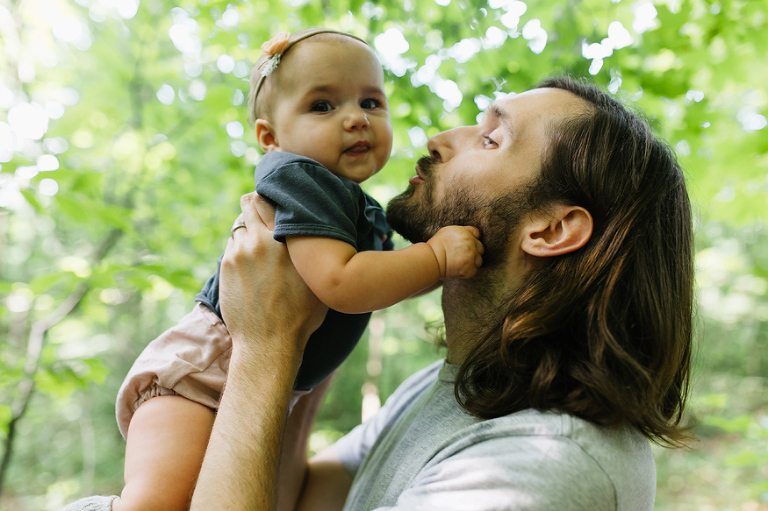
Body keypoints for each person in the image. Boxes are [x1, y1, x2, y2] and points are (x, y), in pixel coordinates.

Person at [189, 76, 694, 511]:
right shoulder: (455, 382)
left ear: (550, 229)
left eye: (491, 139)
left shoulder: (550, 461)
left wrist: (264, 345)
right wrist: (309, 330)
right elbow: (295, 500)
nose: (439, 140)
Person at [60, 28, 483, 511]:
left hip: (251, 382)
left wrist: (429, 270)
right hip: (204, 371)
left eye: (370, 102)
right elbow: (341, 283)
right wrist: (436, 259)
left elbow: (377, 280)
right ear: (271, 138)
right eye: (322, 106)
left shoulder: (355, 207)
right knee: (157, 504)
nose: (355, 120)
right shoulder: (298, 177)